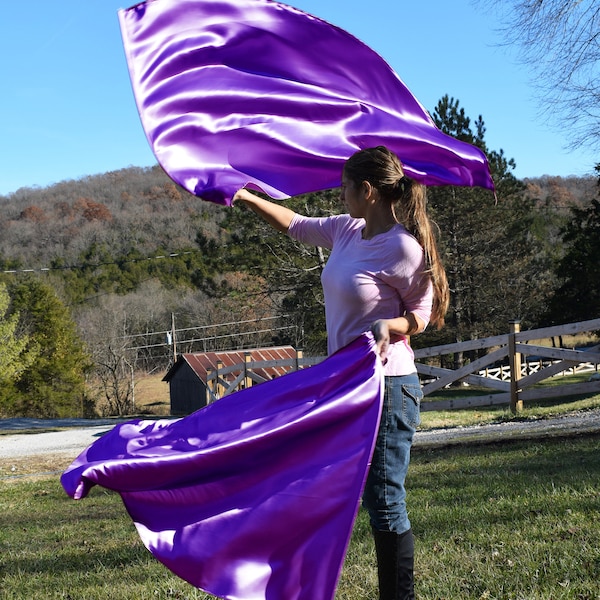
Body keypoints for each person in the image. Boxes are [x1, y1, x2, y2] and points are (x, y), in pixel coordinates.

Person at [233, 145, 449, 600]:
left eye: (345, 187)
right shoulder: (347, 231)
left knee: (385, 502)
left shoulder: (403, 249)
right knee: (325, 488)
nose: (340, 194)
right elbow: (295, 224)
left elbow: (423, 316)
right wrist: (249, 197)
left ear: (366, 190)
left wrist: (391, 325)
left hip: (388, 386)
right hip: (345, 385)